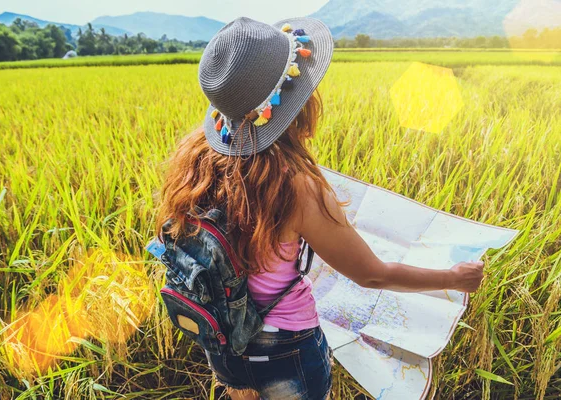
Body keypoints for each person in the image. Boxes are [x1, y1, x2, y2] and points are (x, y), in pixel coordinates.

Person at [156, 16, 485, 400]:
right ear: (296, 105)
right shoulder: (293, 186)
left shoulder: (197, 160)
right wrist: (453, 278)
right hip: (284, 352)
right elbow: (372, 275)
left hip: (223, 338)